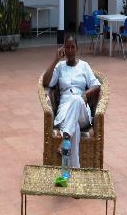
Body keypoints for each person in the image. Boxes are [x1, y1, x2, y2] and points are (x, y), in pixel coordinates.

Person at [41, 34, 101, 168]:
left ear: (77, 48)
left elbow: (96, 85)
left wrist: (85, 94)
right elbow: (46, 82)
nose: (69, 50)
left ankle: (65, 141)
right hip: (65, 114)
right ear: (63, 49)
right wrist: (55, 60)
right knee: (76, 129)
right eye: (67, 47)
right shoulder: (60, 67)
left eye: (72, 47)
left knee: (76, 99)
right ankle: (73, 169)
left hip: (82, 112)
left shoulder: (84, 66)